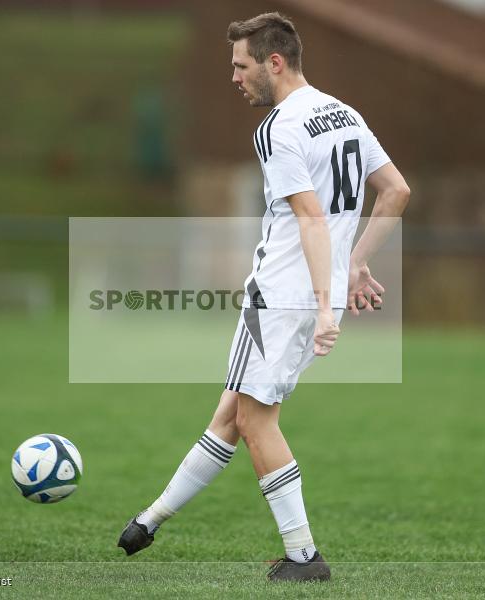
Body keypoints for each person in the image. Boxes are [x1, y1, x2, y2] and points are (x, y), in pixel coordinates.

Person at [118, 13, 411, 582]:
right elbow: (396, 191)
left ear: (274, 62)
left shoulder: (278, 127)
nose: (234, 77)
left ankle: (304, 557)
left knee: (254, 419)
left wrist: (323, 303)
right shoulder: (345, 113)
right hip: (311, 295)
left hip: (280, 297)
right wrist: (353, 264)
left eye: (241, 65)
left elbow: (310, 218)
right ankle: (149, 521)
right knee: (232, 413)